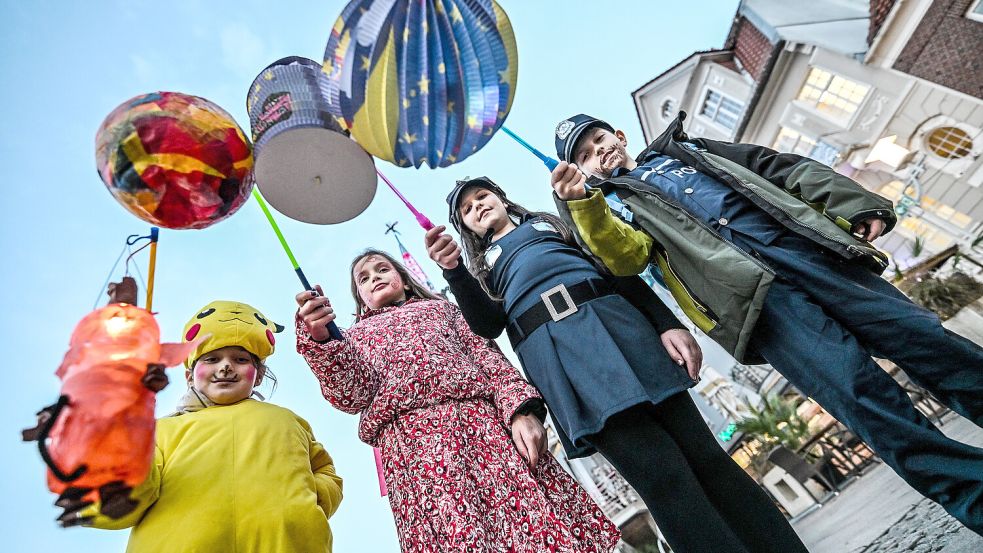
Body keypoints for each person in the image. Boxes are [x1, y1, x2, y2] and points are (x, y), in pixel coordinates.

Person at [549, 111, 983, 535]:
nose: (598, 152)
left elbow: (773, 166)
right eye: (585, 155)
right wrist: (583, 207)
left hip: (811, 256)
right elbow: (627, 257)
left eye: (599, 139)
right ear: (583, 171)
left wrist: (853, 204)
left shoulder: (686, 149)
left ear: (619, 135)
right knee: (858, 393)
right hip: (757, 304)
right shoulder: (610, 209)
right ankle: (974, 494)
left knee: (925, 339)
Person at [426, 177, 809, 553]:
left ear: (502, 198)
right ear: (466, 228)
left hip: (623, 330)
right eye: (466, 209)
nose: (477, 205)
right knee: (664, 481)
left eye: (481, 195)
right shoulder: (480, 272)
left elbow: (613, 269)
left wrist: (666, 323)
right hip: (565, 359)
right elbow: (488, 325)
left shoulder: (552, 223)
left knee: (708, 459)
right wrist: (454, 271)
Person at [295, 249, 620, 553]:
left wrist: (521, 411)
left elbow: (489, 360)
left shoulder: (444, 310)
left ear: (405, 280)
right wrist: (324, 339)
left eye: (383, 269)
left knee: (528, 524)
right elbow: (352, 394)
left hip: (483, 432)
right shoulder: (351, 339)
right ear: (360, 299)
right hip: (414, 452)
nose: (374, 278)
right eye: (363, 278)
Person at [78, 300, 344, 552]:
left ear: (259, 375)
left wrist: (308, 502)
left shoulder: (288, 421)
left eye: (240, 359)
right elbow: (113, 506)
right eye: (212, 359)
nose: (226, 366)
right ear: (189, 376)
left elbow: (324, 470)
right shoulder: (157, 432)